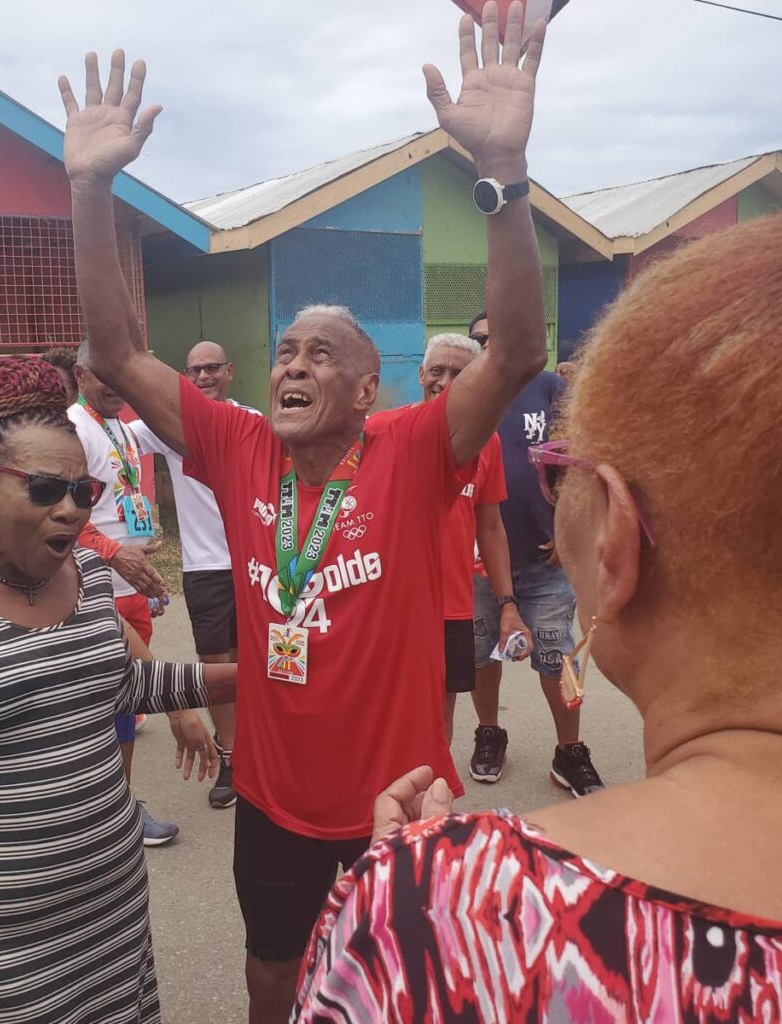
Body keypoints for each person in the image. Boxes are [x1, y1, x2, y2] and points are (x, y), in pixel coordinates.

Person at [58, 3, 549, 1016]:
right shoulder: (236, 444)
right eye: (286, 350)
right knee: (272, 972)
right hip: (276, 803)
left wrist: (500, 176)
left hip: (402, 797)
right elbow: (115, 352)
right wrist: (89, 189)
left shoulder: (412, 449)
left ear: (369, 390)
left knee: (407, 984)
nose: (291, 363)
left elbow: (516, 355)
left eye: (319, 354)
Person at [293, 209, 782, 1023]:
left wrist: (404, 893)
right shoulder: (392, 441)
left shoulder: (445, 909)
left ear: (616, 543)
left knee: (555, 665)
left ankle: (570, 748)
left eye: (565, 470)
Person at [0, 357, 237, 1023]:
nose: (69, 510)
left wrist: (247, 676)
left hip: (111, 913)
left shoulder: (88, 575)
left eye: (83, 493)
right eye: (44, 490)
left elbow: (114, 686)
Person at [469, 309, 604, 797]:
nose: (490, 347)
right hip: (478, 563)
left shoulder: (550, 387)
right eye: (479, 340)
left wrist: (570, 533)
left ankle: (570, 751)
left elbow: (583, 462)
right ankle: (489, 732)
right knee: (482, 654)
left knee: (559, 656)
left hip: (545, 561)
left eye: (498, 337)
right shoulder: (467, 396)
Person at [67, 342, 195, 846]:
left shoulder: (116, 422)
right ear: (80, 374)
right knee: (108, 706)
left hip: (128, 587)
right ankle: (111, 813)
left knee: (122, 705)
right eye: (105, 376)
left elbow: (122, 496)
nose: (117, 386)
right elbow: (65, 517)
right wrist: (115, 554)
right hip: (99, 588)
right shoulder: (75, 429)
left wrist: (140, 550)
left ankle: (117, 805)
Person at [129, 340, 260, 809]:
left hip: (253, 559)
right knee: (213, 662)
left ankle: (258, 750)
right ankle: (231, 755)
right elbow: (115, 438)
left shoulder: (254, 423)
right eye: (193, 371)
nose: (202, 377)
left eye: (210, 368)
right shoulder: (169, 428)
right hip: (203, 565)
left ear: (230, 371)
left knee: (254, 657)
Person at [416, 334, 533, 744]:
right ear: (420, 375)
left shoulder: (488, 443)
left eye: (459, 373)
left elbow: (491, 527)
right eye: (437, 370)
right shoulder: (384, 432)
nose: (446, 380)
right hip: (391, 606)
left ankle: (428, 800)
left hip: (451, 607)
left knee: (439, 718)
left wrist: (507, 606)